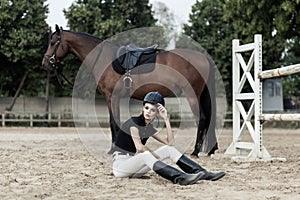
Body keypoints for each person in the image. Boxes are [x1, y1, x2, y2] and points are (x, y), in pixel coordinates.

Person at [112, 92, 225, 185]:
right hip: (120, 167)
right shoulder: (134, 122)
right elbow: (140, 147)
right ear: (143, 108)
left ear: (156, 113)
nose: (148, 112)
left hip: (134, 168)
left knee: (168, 149)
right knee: (145, 155)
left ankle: (203, 173)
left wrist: (166, 119)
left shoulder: (149, 127)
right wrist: (153, 154)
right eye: (146, 108)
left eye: (153, 110)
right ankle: (180, 178)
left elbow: (170, 143)